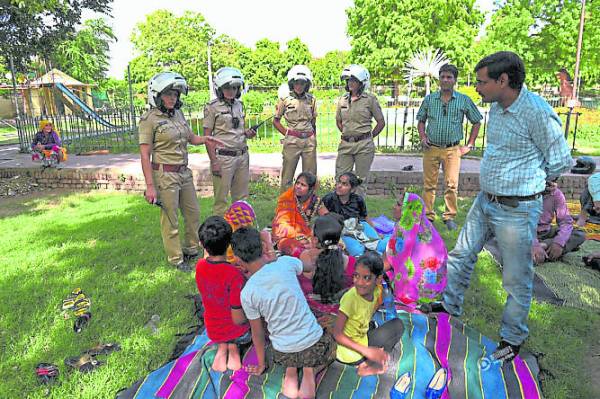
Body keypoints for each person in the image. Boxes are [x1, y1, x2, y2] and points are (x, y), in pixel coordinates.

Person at [423, 52, 572, 363]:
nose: (477, 87)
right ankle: (449, 306)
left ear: (503, 81)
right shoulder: (498, 108)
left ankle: (511, 338)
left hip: (517, 209)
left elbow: (559, 159)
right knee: (461, 255)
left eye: (482, 81)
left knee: (516, 278)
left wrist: (533, 184)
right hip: (484, 200)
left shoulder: (537, 113)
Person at [233, 227, 335, 399]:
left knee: (290, 366)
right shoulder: (286, 263)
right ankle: (309, 372)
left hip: (282, 350)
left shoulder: (247, 293)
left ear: (239, 260)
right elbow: (309, 266)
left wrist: (261, 363)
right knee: (327, 347)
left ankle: (291, 371)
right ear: (264, 248)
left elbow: (257, 333)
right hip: (313, 340)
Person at [139, 71, 223, 271]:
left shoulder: (178, 114)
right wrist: (150, 186)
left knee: (193, 213)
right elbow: (144, 154)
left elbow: (190, 137)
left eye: (175, 94)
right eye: (168, 94)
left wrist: (205, 139)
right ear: (157, 95)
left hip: (184, 173)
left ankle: (192, 249)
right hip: (164, 174)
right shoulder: (149, 119)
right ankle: (176, 259)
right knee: (171, 219)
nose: (172, 98)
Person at [416, 64, 483, 230]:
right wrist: (423, 137)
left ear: (454, 80)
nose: (445, 80)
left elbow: (476, 121)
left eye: (449, 77)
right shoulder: (430, 99)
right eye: (443, 77)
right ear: (439, 79)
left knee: (451, 184)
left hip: (452, 149)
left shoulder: (463, 100)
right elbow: (421, 120)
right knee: (429, 184)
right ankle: (428, 216)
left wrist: (470, 144)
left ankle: (449, 216)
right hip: (431, 148)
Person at [333, 251, 404, 376]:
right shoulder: (350, 298)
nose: (359, 282)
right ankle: (370, 365)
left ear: (378, 279)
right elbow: (337, 334)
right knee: (397, 325)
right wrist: (368, 351)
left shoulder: (377, 291)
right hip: (350, 354)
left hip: (361, 342)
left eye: (366, 277)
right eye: (356, 276)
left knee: (382, 324)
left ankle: (371, 359)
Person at [195, 216, 250, 372]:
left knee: (223, 337)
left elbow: (213, 268)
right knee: (238, 332)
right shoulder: (234, 275)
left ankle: (222, 348)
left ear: (202, 245)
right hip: (238, 332)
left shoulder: (200, 267)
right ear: (229, 245)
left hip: (213, 330)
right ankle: (233, 348)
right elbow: (238, 318)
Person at [204, 67, 257, 216]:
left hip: (242, 156)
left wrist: (247, 133)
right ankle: (220, 235)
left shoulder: (239, 105)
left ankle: (240, 231)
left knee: (242, 198)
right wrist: (214, 161)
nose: (231, 91)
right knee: (221, 200)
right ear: (220, 88)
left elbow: (239, 130)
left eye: (235, 87)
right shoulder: (212, 107)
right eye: (227, 87)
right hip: (223, 158)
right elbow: (207, 137)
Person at [385, 192, 448, 306]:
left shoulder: (404, 231)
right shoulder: (428, 228)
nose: (394, 207)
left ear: (408, 209)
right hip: (435, 289)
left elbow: (389, 261)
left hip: (412, 290)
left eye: (399, 204)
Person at [335, 65, 385, 197]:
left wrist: (368, 137)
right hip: (345, 144)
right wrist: (348, 134)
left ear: (361, 83)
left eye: (354, 80)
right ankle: (341, 212)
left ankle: (357, 213)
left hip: (364, 146)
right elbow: (339, 122)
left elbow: (381, 122)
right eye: (348, 80)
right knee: (340, 178)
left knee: (360, 181)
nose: (350, 83)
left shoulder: (370, 100)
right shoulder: (342, 100)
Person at [321, 172, 388, 256]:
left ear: (352, 189)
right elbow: (322, 219)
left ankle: (377, 252)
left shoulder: (358, 199)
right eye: (339, 182)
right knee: (356, 251)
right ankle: (366, 253)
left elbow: (365, 217)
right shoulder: (329, 199)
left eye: (344, 184)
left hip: (359, 225)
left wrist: (376, 232)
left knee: (379, 245)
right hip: (342, 230)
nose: (339, 186)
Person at [274, 65, 318, 192]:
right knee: (287, 176)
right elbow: (276, 121)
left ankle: (309, 206)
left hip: (309, 141)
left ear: (306, 84)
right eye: (296, 83)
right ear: (292, 84)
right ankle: (285, 207)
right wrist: (288, 133)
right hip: (292, 140)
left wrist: (314, 138)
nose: (299, 86)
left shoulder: (311, 100)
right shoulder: (285, 100)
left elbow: (313, 122)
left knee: (310, 176)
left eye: (302, 83)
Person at [298, 214, 356, 311]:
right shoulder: (351, 263)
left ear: (315, 240)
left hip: (308, 317)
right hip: (342, 318)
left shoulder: (299, 258)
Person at [271, 172, 327, 257]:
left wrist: (314, 235)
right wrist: (302, 238)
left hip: (307, 237)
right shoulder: (286, 198)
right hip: (285, 237)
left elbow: (327, 218)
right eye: (297, 183)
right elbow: (282, 225)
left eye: (303, 185)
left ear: (311, 189)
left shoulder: (314, 201)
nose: (298, 186)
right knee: (294, 248)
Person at [532, 181, 585, 264]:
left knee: (579, 234)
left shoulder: (556, 194)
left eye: (555, 179)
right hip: (524, 234)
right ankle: (544, 252)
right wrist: (534, 244)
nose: (553, 184)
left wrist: (559, 242)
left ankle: (544, 247)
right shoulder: (522, 192)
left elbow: (565, 222)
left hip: (545, 232)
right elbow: (519, 225)